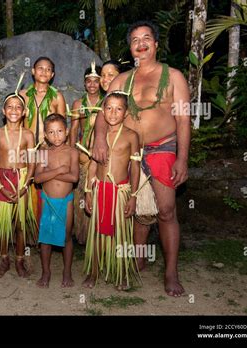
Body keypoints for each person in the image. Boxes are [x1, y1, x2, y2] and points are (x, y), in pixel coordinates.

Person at [92, 20, 190, 297]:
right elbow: (103, 114)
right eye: (135, 39)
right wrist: (100, 139)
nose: (141, 43)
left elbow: (183, 119)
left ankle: (171, 272)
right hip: (129, 150)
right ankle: (137, 260)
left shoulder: (174, 77)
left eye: (147, 38)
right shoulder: (122, 80)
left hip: (163, 148)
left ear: (156, 44)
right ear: (130, 47)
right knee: (134, 211)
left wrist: (182, 158)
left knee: (166, 210)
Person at [83, 92, 141, 290]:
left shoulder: (132, 136)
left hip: (120, 190)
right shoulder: (98, 135)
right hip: (99, 188)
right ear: (103, 111)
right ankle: (94, 272)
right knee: (97, 233)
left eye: (118, 109)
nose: (113, 112)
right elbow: (92, 164)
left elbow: (135, 167)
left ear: (126, 113)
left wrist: (133, 195)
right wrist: (87, 191)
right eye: (108, 108)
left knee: (121, 235)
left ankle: (122, 273)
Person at [0, 79, 37, 278]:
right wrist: (1, 186)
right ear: (4, 112)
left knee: (19, 224)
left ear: (24, 112)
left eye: (18, 107)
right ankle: (4, 258)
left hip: (22, 179)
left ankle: (19, 259)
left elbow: (32, 162)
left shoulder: (28, 135)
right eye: (10, 107)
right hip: (2, 178)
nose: (14, 110)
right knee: (3, 223)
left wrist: (25, 185)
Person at [19, 56, 66, 223]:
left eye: (48, 69)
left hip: (48, 148)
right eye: (40, 68)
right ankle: (28, 229)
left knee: (46, 185)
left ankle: (46, 227)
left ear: (52, 74)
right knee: (27, 184)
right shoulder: (23, 95)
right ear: (32, 71)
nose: (44, 71)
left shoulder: (57, 97)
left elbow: (61, 124)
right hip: (28, 149)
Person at [35, 114, 79, 288]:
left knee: (67, 237)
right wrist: (60, 170)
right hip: (47, 200)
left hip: (65, 201)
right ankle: (46, 273)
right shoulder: (43, 153)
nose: (56, 136)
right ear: (45, 135)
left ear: (67, 132)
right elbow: (37, 178)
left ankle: (67, 273)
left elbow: (74, 177)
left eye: (60, 131)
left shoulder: (72, 152)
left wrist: (51, 172)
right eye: (51, 132)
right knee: (45, 238)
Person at [69, 62, 103, 245]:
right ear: (84, 83)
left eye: (95, 81)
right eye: (88, 81)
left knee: (97, 194)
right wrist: (72, 153)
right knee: (80, 194)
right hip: (83, 154)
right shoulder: (77, 103)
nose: (92, 85)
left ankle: (96, 234)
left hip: (100, 155)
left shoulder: (107, 102)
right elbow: (74, 129)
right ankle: (81, 233)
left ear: (101, 82)